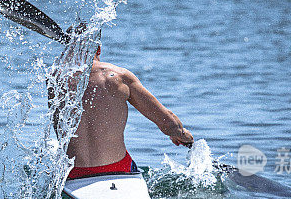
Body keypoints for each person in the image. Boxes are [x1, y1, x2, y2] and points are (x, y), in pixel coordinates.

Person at [50, 43, 194, 180]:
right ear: (98, 49)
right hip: (118, 167)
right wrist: (181, 134)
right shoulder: (119, 76)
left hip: (72, 172)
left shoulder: (55, 78)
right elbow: (169, 124)